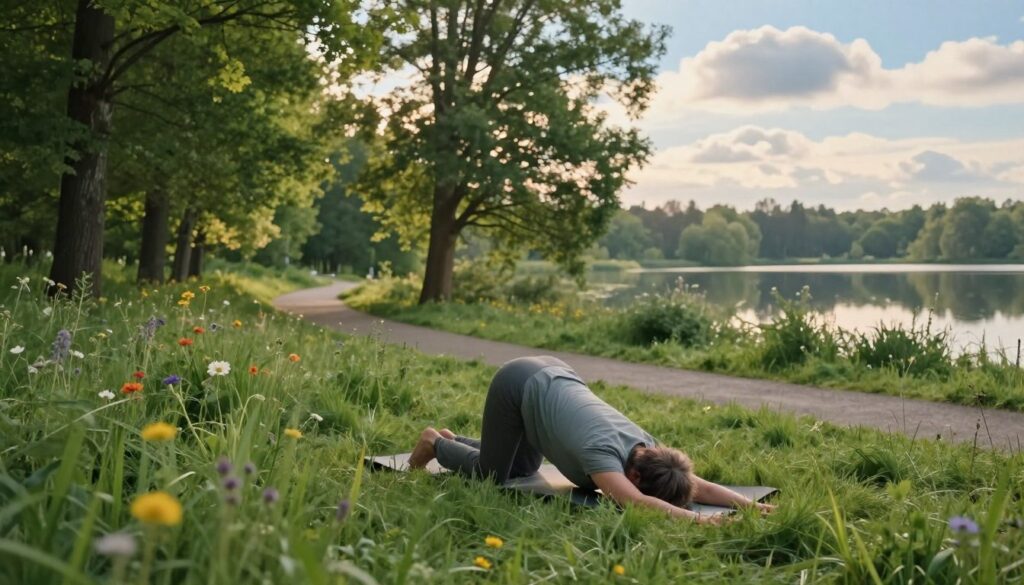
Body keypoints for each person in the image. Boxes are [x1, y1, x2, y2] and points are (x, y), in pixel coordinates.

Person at [409, 356, 774, 524]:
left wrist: (751, 507)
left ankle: (452, 439)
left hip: (555, 376)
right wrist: (701, 523)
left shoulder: (649, 448)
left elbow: (700, 487)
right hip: (518, 382)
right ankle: (434, 443)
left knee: (522, 468)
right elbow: (636, 503)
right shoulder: (604, 458)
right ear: (634, 478)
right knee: (494, 476)